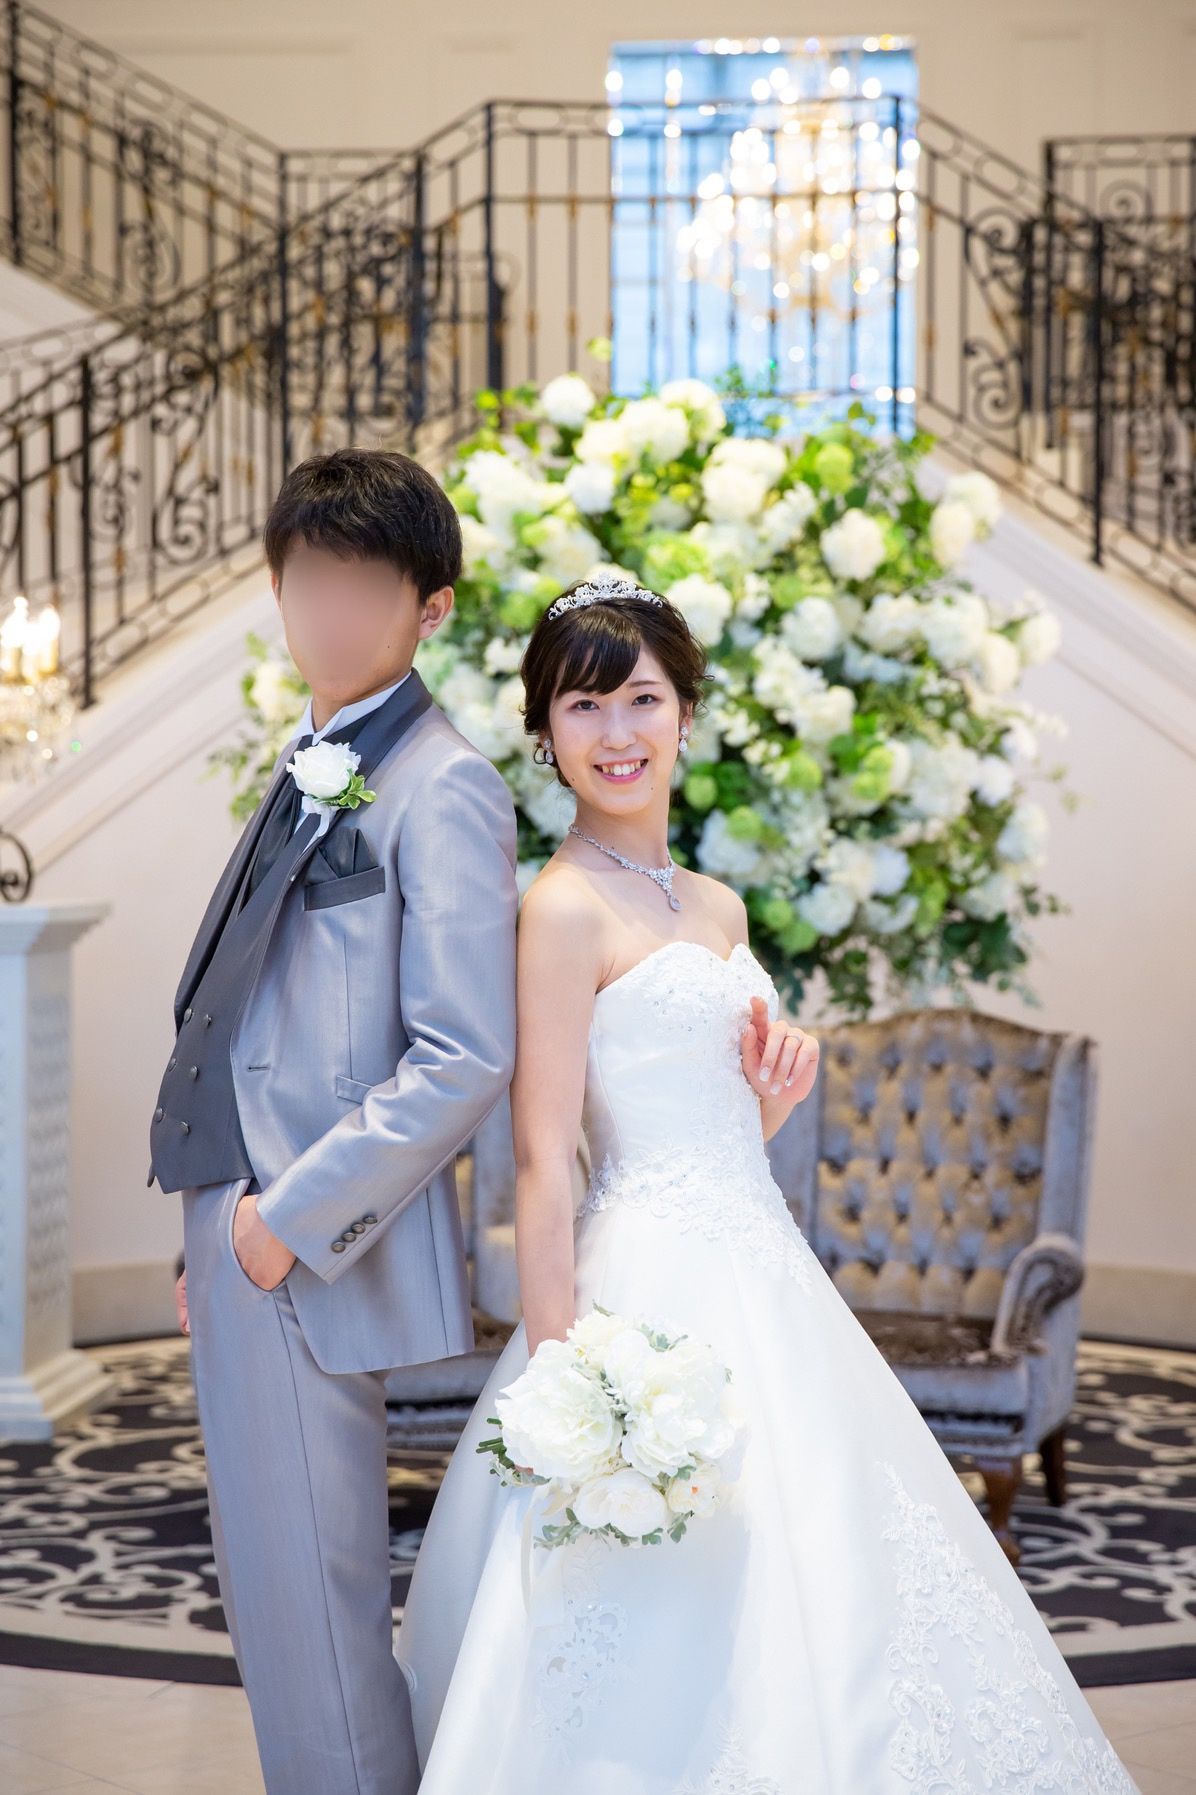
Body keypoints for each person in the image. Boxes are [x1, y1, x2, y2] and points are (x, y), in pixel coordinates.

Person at [394, 572, 1140, 1794]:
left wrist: (773, 1095)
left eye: (641, 698)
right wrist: (563, 1369)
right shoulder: (560, 910)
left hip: (760, 1259)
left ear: (687, 712)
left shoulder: (717, 904)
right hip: (639, 1282)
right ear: (545, 734)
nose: (617, 732)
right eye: (583, 706)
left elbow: (723, 1116)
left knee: (834, 1566)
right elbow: (544, 1156)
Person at [147, 447, 519, 1795]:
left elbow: (466, 1053)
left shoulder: (443, 780)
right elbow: (259, 1009)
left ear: (433, 606)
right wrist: (209, 1229)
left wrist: (278, 1226)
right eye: (311, 578)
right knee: (278, 1603)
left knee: (317, 1610)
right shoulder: (316, 756)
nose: (332, 610)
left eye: (367, 584)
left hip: (305, 1244)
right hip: (242, 1227)